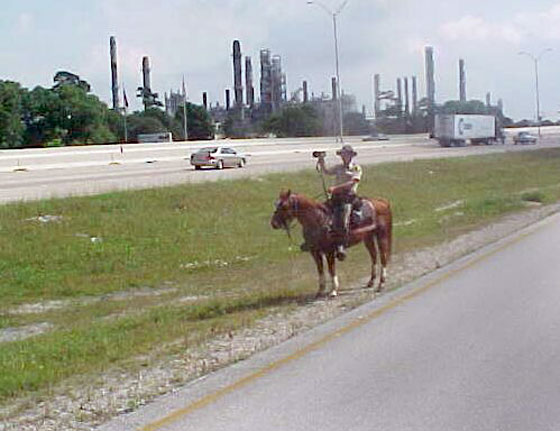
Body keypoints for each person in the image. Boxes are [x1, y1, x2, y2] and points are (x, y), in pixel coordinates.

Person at [316, 144, 362, 261]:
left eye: (345, 154)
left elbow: (353, 182)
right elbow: (326, 171)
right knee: (321, 213)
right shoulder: (338, 167)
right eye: (342, 155)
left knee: (343, 220)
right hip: (336, 197)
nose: (343, 157)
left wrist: (336, 188)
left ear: (351, 156)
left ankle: (341, 246)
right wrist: (321, 161)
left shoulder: (356, 168)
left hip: (348, 197)